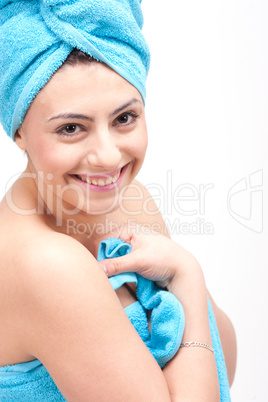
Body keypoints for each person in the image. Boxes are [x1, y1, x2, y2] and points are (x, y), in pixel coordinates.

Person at [0, 1, 236, 401]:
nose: (108, 157)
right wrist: (186, 276)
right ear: (18, 131)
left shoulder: (128, 202)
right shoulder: (44, 263)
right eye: (71, 127)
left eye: (124, 118)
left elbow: (221, 367)